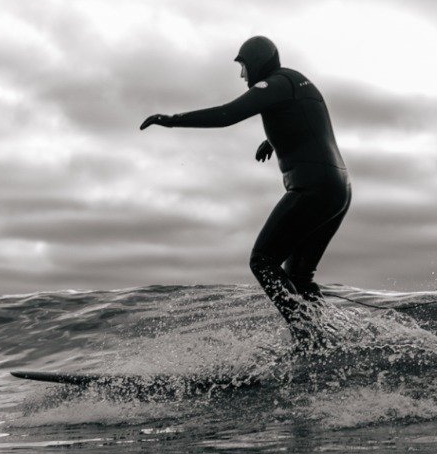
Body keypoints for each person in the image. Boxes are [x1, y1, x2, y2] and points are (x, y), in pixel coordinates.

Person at [140, 36, 350, 349]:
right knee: (300, 277)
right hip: (337, 189)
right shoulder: (295, 82)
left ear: (257, 63)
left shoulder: (276, 84)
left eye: (243, 66)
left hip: (313, 188)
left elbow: (227, 115)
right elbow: (306, 118)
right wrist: (275, 140)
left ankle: (309, 344)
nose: (243, 76)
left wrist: (171, 121)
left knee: (262, 260)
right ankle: (330, 345)